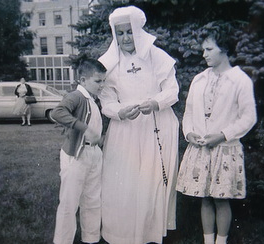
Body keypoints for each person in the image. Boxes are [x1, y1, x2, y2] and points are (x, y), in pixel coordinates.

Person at [98, 6, 179, 244]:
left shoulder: (157, 56)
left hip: (156, 125)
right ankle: (121, 234)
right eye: (120, 33)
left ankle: (149, 232)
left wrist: (155, 102)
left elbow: (172, 90)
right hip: (125, 129)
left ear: (138, 31)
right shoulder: (109, 62)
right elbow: (106, 100)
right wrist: (119, 112)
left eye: (129, 32)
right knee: (123, 181)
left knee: (150, 180)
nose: (125, 38)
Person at [176, 21, 257, 244]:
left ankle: (221, 242)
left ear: (224, 49)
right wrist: (190, 133)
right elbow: (189, 112)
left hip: (224, 149)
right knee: (205, 198)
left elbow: (249, 118)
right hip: (201, 148)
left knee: (221, 199)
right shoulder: (199, 80)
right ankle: (207, 241)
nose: (204, 54)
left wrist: (222, 134)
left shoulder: (240, 80)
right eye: (203, 49)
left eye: (209, 49)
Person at [52, 57, 106, 244]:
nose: (102, 85)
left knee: (92, 200)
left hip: (94, 155)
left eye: (103, 81)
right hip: (76, 156)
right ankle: (62, 240)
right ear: (83, 80)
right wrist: (83, 128)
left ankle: (91, 239)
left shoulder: (93, 100)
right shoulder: (76, 96)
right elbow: (57, 112)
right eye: (98, 81)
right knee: (69, 202)